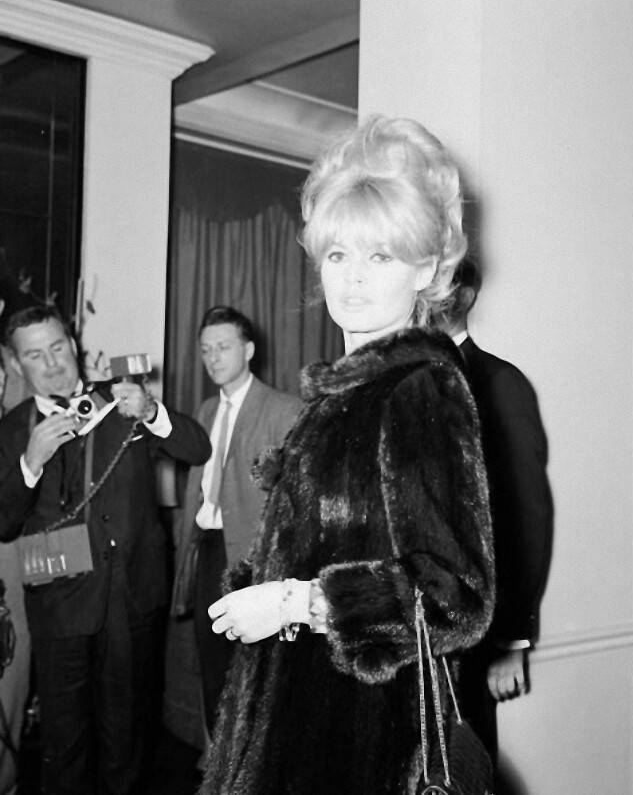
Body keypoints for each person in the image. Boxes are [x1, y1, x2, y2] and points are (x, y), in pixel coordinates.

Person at [200, 115, 495, 795]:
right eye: (337, 256)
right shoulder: (348, 392)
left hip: (362, 743)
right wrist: (259, 582)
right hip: (296, 721)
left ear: (428, 268)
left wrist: (294, 602)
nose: (353, 280)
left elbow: (457, 597)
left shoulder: (419, 390)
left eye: (380, 257)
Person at [0, 304, 211, 795]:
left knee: (126, 741)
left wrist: (153, 412)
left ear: (73, 345)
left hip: (128, 599)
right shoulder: (11, 431)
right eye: (35, 355)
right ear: (17, 364)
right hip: (57, 605)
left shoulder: (120, 403)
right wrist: (31, 463)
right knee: (65, 744)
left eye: (57, 347)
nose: (51, 363)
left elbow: (197, 448)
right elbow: (4, 525)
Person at [438, 258, 553, 759]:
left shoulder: (499, 382)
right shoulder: (407, 382)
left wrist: (512, 638)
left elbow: (526, 517)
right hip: (415, 630)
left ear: (463, 297)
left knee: (463, 769)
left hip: (474, 630)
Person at [171, 305, 302, 737]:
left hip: (253, 560)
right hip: (207, 551)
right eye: (206, 350)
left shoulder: (284, 409)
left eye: (223, 347)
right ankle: (217, 757)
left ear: (248, 350)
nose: (213, 358)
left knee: (256, 678)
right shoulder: (206, 410)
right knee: (212, 667)